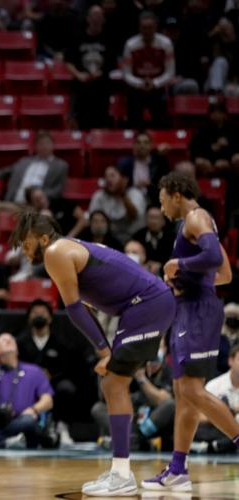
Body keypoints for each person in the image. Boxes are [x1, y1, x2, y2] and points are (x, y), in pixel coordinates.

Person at [9, 211, 175, 496]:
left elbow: (74, 309)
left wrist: (103, 352)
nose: (24, 251)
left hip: (145, 304)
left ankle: (122, 474)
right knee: (113, 383)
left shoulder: (55, 252)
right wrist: (106, 350)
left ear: (44, 238)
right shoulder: (68, 247)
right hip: (143, 306)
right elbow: (84, 309)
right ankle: (120, 471)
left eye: (26, 243)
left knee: (112, 382)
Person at [142, 173, 238, 493]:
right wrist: (186, 279)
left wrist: (178, 267)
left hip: (197, 313)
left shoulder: (195, 218)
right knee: (184, 393)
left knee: (193, 392)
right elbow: (223, 274)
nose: (161, 206)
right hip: (193, 309)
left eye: (162, 199)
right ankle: (178, 468)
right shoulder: (201, 222)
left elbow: (213, 259)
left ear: (177, 194)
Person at [0, 333, 54, 449]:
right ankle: (6, 442)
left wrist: (34, 409)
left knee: (28, 421)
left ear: (17, 350)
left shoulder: (34, 371)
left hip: (20, 421)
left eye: (11, 339)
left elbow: (48, 400)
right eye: (3, 340)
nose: (8, 340)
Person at [90, 346, 176, 451]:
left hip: (152, 420)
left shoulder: (167, 369)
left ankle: (136, 439)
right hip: (130, 417)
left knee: (171, 405)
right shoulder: (128, 364)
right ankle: (131, 438)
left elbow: (163, 400)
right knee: (98, 408)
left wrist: (141, 378)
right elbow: (110, 397)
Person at [16, 299, 77, 427]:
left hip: (53, 381)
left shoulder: (61, 343)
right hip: (27, 382)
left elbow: (67, 368)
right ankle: (19, 425)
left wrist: (51, 376)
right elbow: (16, 366)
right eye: (35, 313)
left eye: (43, 313)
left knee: (67, 388)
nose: (39, 316)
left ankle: (62, 425)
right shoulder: (20, 342)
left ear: (50, 318)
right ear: (28, 318)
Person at [65, 5, 114, 130]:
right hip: (81, 89)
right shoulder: (77, 37)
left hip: (102, 89)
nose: (96, 19)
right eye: (94, 16)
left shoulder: (109, 39)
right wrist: (78, 74)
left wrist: (101, 72)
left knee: (100, 125)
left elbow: (112, 63)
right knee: (82, 125)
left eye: (99, 16)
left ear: (103, 19)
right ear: (88, 18)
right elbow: (68, 61)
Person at [122, 12, 175, 128]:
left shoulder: (166, 44)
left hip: (158, 88)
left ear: (156, 27)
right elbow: (126, 74)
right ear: (139, 28)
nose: (147, 31)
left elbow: (170, 72)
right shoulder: (130, 45)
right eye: (144, 28)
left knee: (161, 120)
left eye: (150, 28)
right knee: (134, 115)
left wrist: (155, 83)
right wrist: (141, 83)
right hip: (137, 88)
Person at [3, 132, 69, 205]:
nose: (44, 146)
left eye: (47, 143)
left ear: (53, 145)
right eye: (41, 144)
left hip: (37, 206)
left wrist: (41, 195)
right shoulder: (24, 161)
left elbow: (58, 190)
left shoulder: (61, 165)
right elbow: (3, 172)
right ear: (36, 146)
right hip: (13, 203)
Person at [89, 166, 147, 245]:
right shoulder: (99, 196)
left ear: (124, 179)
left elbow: (134, 215)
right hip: (107, 240)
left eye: (112, 176)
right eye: (106, 176)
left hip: (132, 239)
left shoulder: (135, 194)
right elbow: (92, 219)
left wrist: (122, 195)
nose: (108, 179)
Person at [197, 344, 239, 453]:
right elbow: (198, 416)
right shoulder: (214, 386)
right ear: (230, 361)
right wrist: (223, 413)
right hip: (217, 429)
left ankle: (212, 446)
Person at [188, 100, 239, 178]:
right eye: (214, 113)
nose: (216, 115)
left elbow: (235, 148)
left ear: (225, 114)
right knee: (200, 162)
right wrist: (212, 148)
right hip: (209, 160)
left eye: (219, 113)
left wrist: (228, 159)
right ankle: (206, 187)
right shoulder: (203, 130)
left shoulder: (233, 128)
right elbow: (195, 150)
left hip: (228, 160)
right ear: (210, 115)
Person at [116, 131, 169, 203]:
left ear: (151, 145)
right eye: (138, 142)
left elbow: (164, 186)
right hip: (131, 199)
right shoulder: (125, 164)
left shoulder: (159, 163)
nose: (142, 145)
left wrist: (150, 185)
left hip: (153, 200)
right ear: (134, 145)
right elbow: (120, 187)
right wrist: (135, 185)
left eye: (145, 142)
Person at [131, 206, 175, 275]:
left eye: (157, 218)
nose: (153, 222)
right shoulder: (138, 237)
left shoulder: (171, 237)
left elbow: (175, 259)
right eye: (151, 217)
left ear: (163, 221)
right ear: (146, 220)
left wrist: (160, 266)